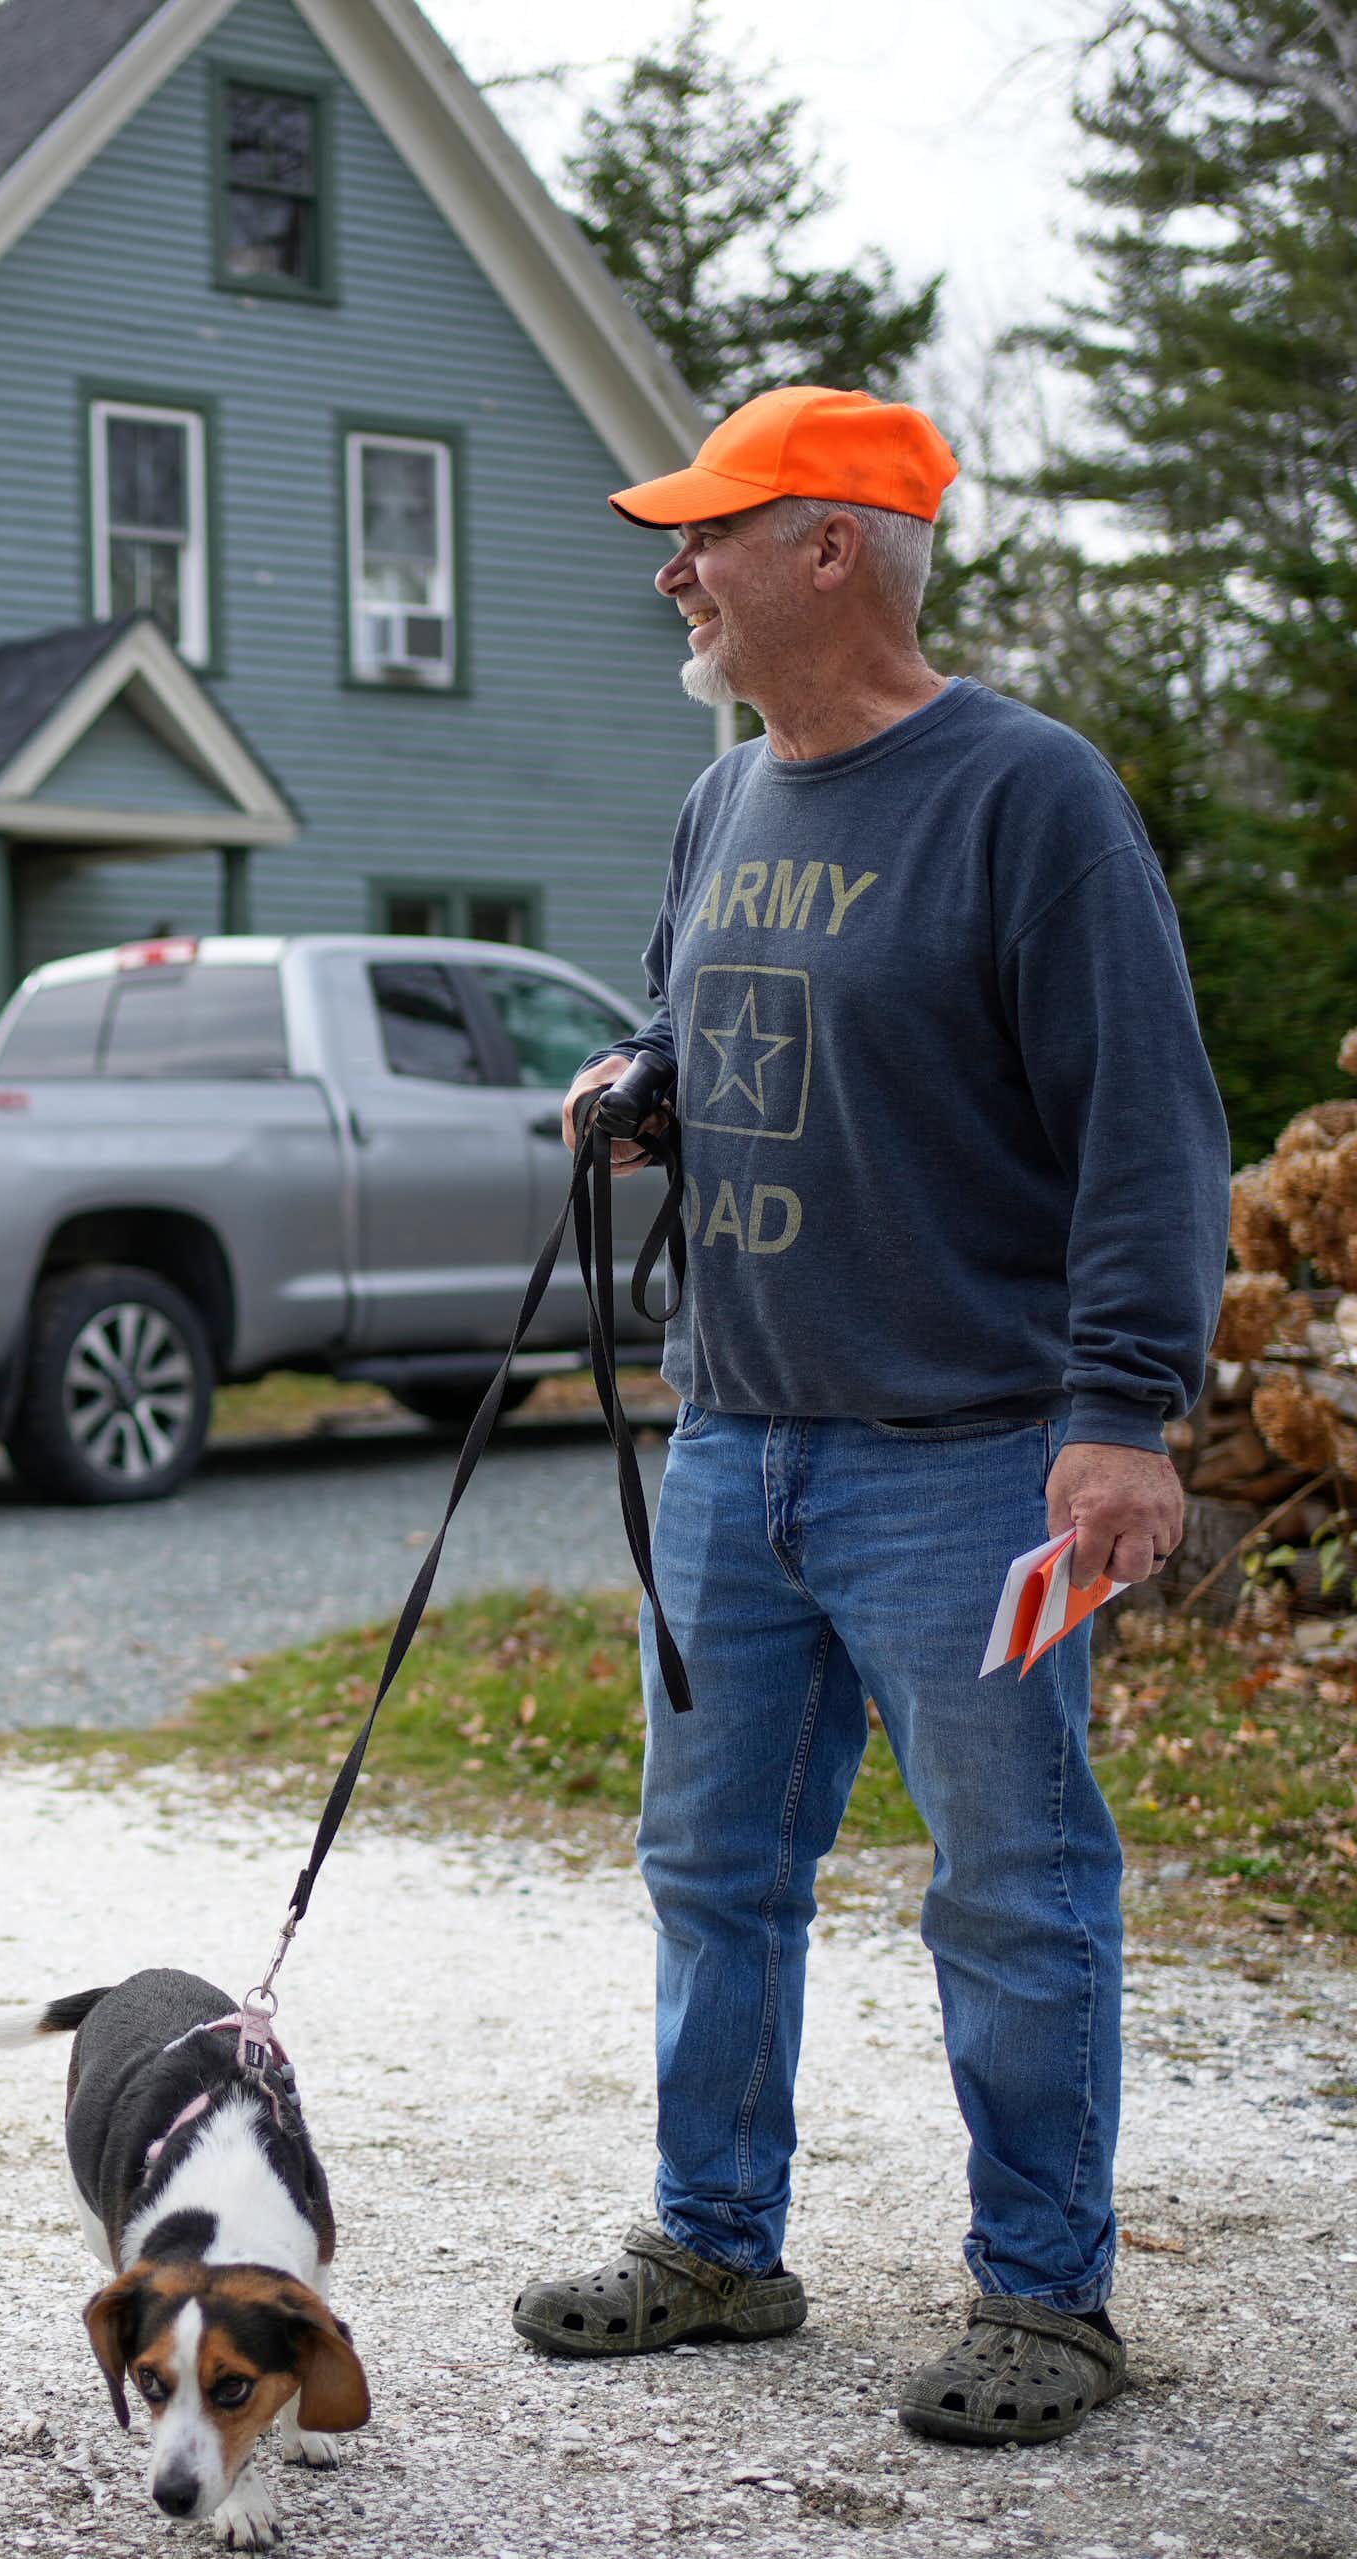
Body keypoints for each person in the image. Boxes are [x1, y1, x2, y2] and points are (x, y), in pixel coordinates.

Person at [516, 386, 1229, 2446]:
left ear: (826, 547)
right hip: (737, 1437)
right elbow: (687, 1012)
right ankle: (714, 2240)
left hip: (963, 1455)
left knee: (1008, 1879)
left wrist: (1119, 1412)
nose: (671, 572)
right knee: (709, 1863)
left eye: (702, 536)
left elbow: (1141, 1129)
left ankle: (1041, 2293)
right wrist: (635, 1083)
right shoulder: (720, 797)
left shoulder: (1028, 793)